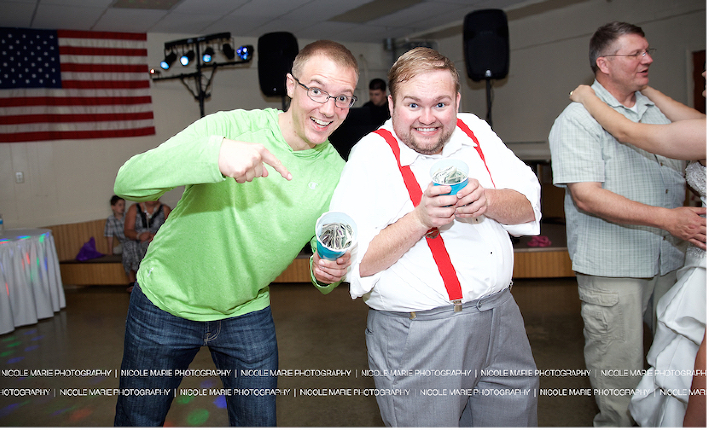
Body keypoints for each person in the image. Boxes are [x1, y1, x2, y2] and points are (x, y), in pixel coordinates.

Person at [112, 40, 357, 426]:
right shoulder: (229, 127)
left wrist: (326, 272)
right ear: (291, 85)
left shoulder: (337, 174)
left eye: (343, 98)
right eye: (317, 90)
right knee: (137, 420)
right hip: (165, 304)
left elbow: (323, 259)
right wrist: (216, 155)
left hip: (246, 312)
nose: (329, 109)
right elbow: (128, 181)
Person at [328, 47, 541, 426]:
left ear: (457, 101)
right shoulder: (371, 156)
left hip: (502, 318)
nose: (427, 119)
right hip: (424, 334)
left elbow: (528, 206)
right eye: (413, 105)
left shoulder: (475, 130)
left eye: (440, 104)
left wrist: (487, 200)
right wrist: (420, 219)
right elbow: (356, 264)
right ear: (391, 104)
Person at [548, 21, 705, 426]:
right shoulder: (578, 119)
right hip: (615, 266)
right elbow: (587, 195)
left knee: (675, 369)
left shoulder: (661, 114)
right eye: (636, 53)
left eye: (647, 51)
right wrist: (669, 219)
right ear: (604, 62)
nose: (648, 59)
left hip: (672, 262)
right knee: (618, 378)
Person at [121, 198, 171, 292]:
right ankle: (133, 281)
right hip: (138, 240)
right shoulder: (134, 208)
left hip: (157, 240)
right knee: (128, 245)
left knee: (156, 247)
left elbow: (170, 230)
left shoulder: (165, 209)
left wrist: (157, 237)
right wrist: (139, 235)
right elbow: (127, 231)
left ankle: (155, 281)